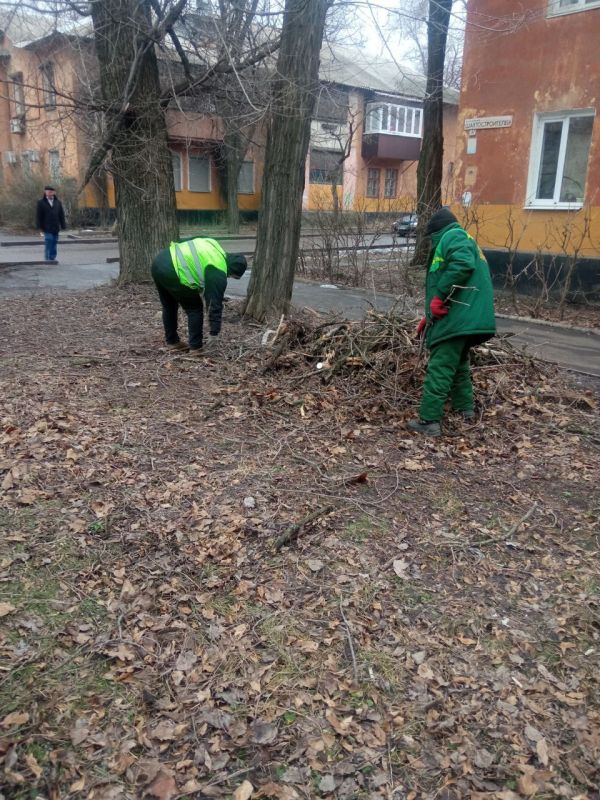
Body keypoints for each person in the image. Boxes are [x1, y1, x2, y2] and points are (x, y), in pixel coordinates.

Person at [408, 207, 496, 436]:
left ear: (436, 231)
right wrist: (428, 317)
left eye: (431, 238)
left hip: (458, 318)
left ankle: (430, 421)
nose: (431, 243)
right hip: (465, 318)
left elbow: (462, 264)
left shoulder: (453, 236)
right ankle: (465, 409)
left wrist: (438, 296)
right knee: (458, 365)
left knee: (440, 367)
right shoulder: (463, 238)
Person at [151, 236, 247, 354]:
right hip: (174, 270)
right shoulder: (218, 268)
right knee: (195, 308)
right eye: (232, 276)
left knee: (169, 305)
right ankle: (196, 348)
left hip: (160, 261)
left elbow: (188, 243)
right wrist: (214, 332)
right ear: (232, 270)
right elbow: (214, 303)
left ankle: (172, 342)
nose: (228, 277)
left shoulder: (213, 244)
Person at [35, 185, 66, 262]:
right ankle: (48, 258)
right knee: (49, 240)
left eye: (51, 192)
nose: (49, 193)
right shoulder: (41, 202)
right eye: (48, 192)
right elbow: (38, 215)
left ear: (54, 193)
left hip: (55, 226)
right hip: (46, 226)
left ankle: (52, 257)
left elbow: (61, 214)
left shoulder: (58, 202)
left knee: (54, 242)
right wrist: (39, 226)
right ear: (45, 192)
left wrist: (63, 225)